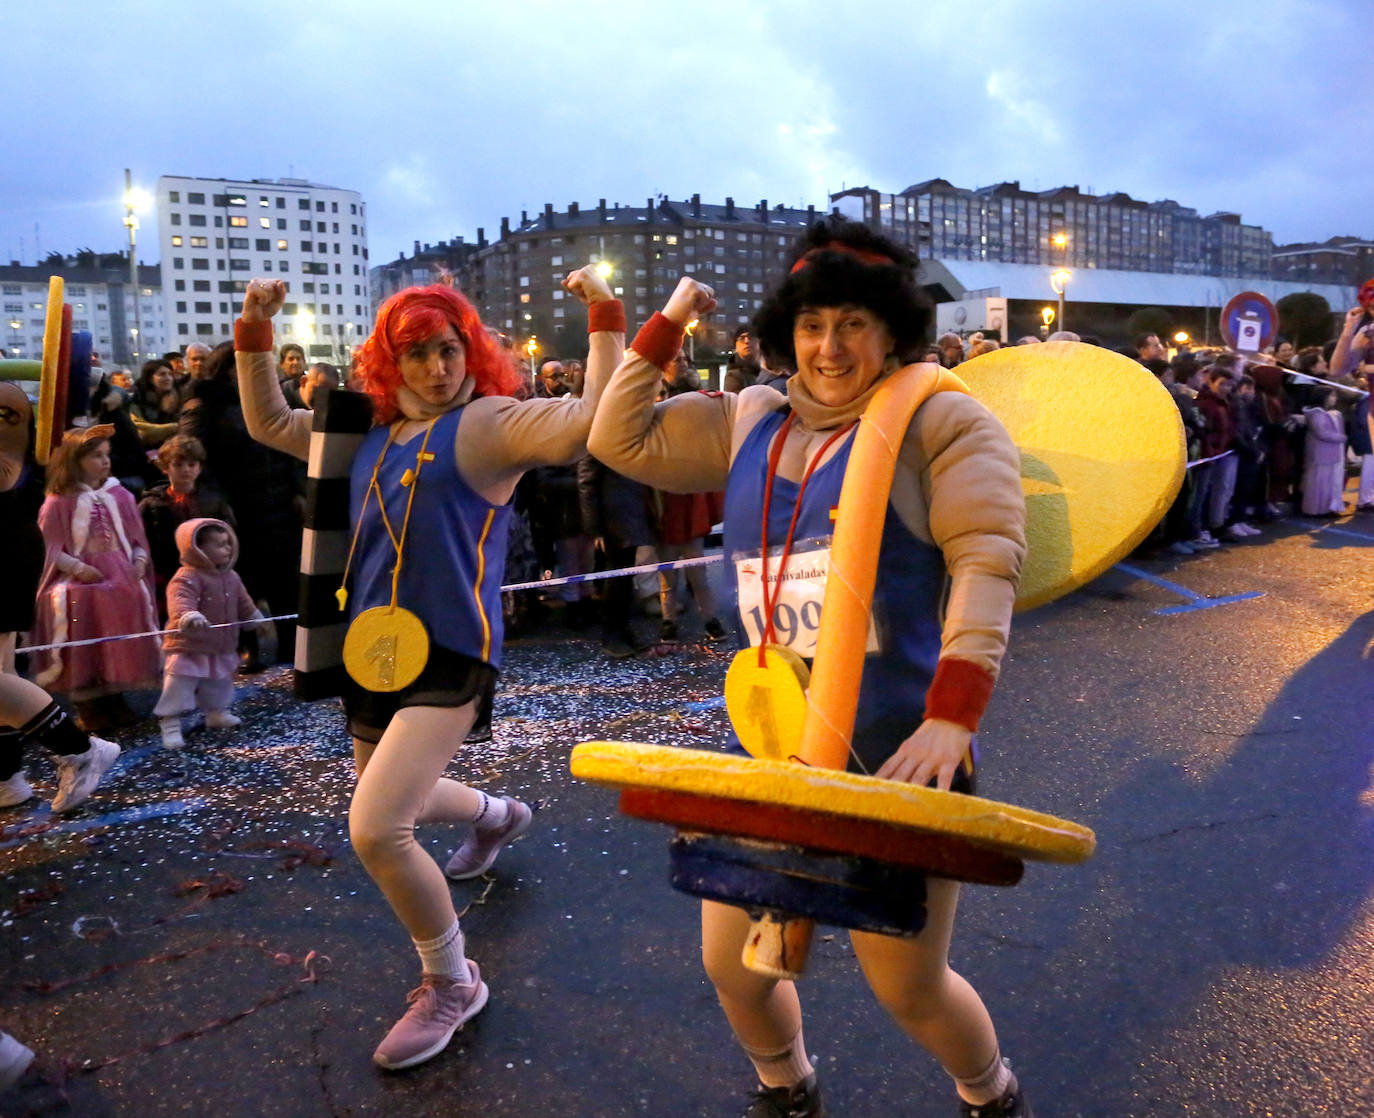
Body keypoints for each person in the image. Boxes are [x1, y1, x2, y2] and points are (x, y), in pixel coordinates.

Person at [588, 217, 1031, 1117]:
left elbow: (988, 561)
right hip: (771, 748)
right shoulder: (753, 413)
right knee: (735, 965)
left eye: (855, 323)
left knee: (907, 987)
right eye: (812, 323)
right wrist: (668, 319)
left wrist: (954, 714)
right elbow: (617, 439)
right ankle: (786, 1087)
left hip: (895, 751)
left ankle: (991, 1095)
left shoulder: (944, 418)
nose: (830, 347)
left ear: (894, 329)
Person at [235, 265, 624, 1070]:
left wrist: (603, 316)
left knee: (378, 826)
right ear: (389, 361)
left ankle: (452, 981)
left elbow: (590, 421)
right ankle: (494, 813)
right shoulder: (362, 432)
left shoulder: (487, 423)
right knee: (392, 793)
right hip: (373, 652)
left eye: (448, 349)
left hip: (452, 650)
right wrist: (254, 329)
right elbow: (270, 421)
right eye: (415, 354)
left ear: (469, 350)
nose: (435, 368)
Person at [29, 426, 162, 732]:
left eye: (106, 455)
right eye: (95, 456)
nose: (105, 462)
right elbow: (48, 548)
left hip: (118, 571)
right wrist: (77, 568)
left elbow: (135, 538)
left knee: (123, 596)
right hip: (76, 576)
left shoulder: (121, 495)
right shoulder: (59, 501)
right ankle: (87, 698)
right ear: (75, 460)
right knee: (79, 603)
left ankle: (113, 692)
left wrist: (139, 558)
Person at [155, 519, 268, 749]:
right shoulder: (186, 576)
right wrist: (188, 616)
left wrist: (254, 616)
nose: (227, 548)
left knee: (219, 682)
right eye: (219, 545)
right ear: (197, 549)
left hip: (221, 644)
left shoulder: (232, 577)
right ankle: (170, 723)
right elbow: (180, 601)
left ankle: (216, 713)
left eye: (228, 543)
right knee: (179, 685)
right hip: (189, 646)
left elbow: (244, 602)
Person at [138, 434, 238, 606]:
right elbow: (140, 538)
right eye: (178, 464)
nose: (186, 469)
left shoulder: (213, 500)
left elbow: (228, 533)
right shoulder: (151, 503)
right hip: (165, 574)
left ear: (199, 468)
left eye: (192, 464)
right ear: (165, 467)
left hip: (208, 572)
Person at [1298, 390, 1347, 516]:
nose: (1334, 398)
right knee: (1320, 483)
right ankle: (1318, 509)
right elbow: (1322, 433)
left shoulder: (1320, 414)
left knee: (1325, 482)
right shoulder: (1317, 414)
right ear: (1323, 397)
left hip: (1325, 453)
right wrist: (1342, 438)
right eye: (1331, 395)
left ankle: (1324, 508)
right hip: (1320, 453)